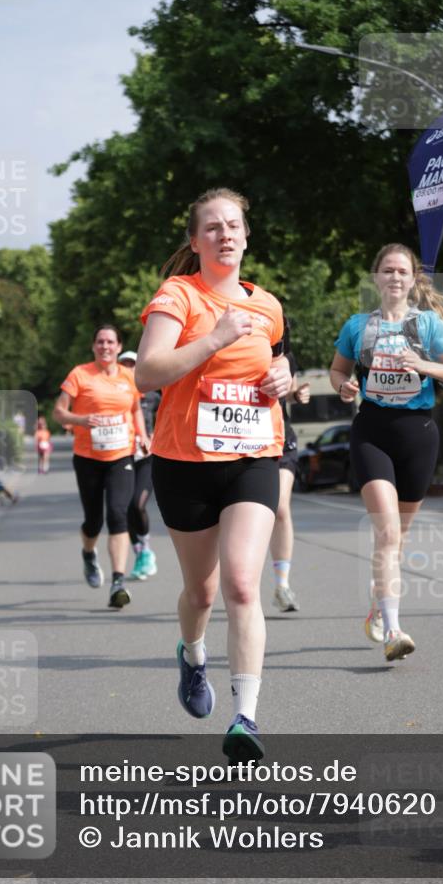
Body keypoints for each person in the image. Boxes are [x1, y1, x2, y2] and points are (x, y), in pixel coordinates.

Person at [136, 188, 291, 762]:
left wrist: (284, 377)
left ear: (246, 236)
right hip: (184, 463)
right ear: (196, 241)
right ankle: (193, 655)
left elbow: (278, 358)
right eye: (212, 227)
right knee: (200, 591)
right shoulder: (177, 296)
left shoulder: (268, 305)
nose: (225, 234)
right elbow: (147, 374)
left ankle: (245, 717)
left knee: (242, 585)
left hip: (253, 458)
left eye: (234, 225)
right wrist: (215, 338)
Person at [330, 243, 443, 662]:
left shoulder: (428, 325)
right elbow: (338, 368)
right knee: (387, 532)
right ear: (376, 277)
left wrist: (423, 365)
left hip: (418, 433)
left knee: (398, 537)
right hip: (372, 430)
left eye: (402, 272)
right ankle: (393, 630)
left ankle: (379, 601)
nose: (394, 277)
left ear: (413, 280)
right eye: (387, 270)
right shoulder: (357, 326)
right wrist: (343, 385)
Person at [53, 325, 147, 609]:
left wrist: (142, 434)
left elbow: (135, 409)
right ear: (93, 346)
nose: (105, 346)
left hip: (121, 455)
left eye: (110, 342)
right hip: (88, 457)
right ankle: (88, 553)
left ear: (119, 347)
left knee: (118, 513)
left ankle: (118, 581)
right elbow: (58, 412)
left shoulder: (129, 376)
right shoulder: (79, 375)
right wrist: (81, 420)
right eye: (100, 342)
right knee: (93, 521)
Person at [270, 319, 310, 612]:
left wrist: (298, 395)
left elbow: (291, 391)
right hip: (245, 441)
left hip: (282, 438)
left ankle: (282, 585)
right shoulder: (239, 348)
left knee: (281, 507)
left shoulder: (288, 359)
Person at [117, 351, 160, 581]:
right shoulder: (115, 394)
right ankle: (141, 553)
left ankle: (145, 547)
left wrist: (154, 435)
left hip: (146, 457)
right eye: (124, 365)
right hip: (121, 456)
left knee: (137, 504)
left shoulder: (153, 395)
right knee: (124, 509)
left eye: (133, 364)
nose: (129, 369)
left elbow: (167, 416)